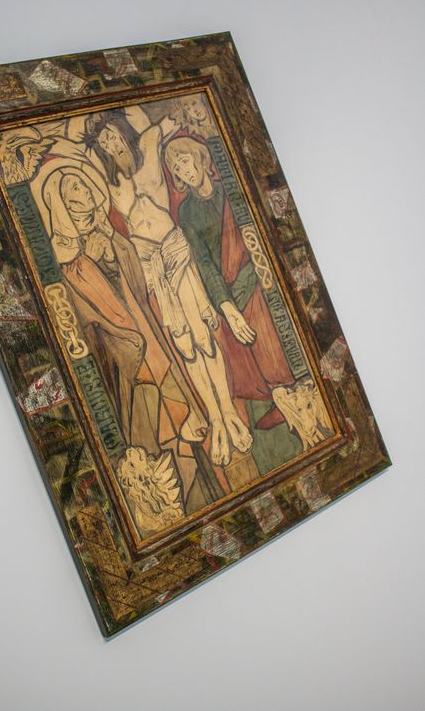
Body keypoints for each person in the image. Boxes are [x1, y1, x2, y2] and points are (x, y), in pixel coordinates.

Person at [36, 162, 223, 526]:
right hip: (126, 365)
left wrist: (112, 248)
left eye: (84, 185)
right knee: (156, 439)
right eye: (74, 190)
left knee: (185, 433)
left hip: (151, 345)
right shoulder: (68, 261)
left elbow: (137, 285)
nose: (84, 192)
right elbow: (86, 319)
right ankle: (177, 517)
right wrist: (92, 262)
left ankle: (204, 505)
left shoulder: (112, 238)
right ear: (62, 206)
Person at [85, 108, 253, 468]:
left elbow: (178, 118)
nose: (110, 143)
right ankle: (215, 420)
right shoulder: (108, 180)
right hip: (150, 265)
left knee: (203, 338)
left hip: (174, 250)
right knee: (185, 346)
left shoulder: (149, 142)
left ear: (121, 128)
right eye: (103, 142)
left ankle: (229, 413)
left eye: (111, 134)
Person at [165, 136, 296, 417]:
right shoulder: (186, 211)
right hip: (229, 293)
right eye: (177, 169)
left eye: (185, 161)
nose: (184, 171)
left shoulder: (230, 190)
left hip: (260, 277)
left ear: (200, 157)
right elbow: (205, 263)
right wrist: (228, 309)